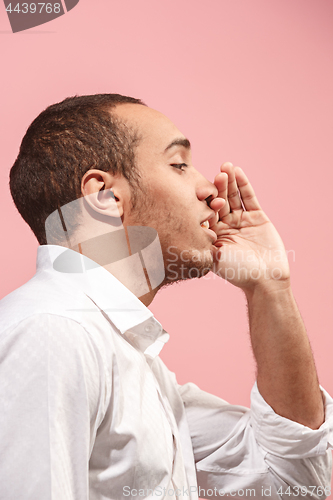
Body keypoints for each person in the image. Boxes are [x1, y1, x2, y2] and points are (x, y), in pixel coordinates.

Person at [1, 93, 332, 500]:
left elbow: (292, 483)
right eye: (178, 164)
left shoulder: (133, 363)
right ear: (103, 196)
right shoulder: (54, 333)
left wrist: (270, 287)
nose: (211, 189)